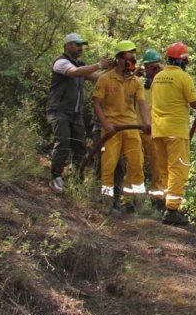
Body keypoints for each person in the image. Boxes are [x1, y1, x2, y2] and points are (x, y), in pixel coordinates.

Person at [151, 41, 196, 226]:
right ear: (183, 60)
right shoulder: (183, 77)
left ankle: (163, 206)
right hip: (175, 132)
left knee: (163, 169)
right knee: (178, 169)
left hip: (158, 131)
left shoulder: (158, 77)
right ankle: (172, 210)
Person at [47, 32, 111, 192]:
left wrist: (116, 70)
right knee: (63, 143)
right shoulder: (61, 62)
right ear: (67, 45)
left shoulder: (80, 64)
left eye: (82, 45)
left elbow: (98, 78)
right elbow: (75, 72)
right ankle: (56, 177)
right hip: (59, 110)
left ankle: (75, 178)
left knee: (80, 147)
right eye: (77, 44)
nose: (80, 48)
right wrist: (99, 64)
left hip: (76, 113)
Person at [92, 40, 150, 214]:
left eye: (133, 54)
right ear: (119, 58)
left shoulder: (136, 82)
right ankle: (107, 203)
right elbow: (96, 103)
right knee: (108, 165)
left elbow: (141, 104)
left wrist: (146, 123)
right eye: (128, 54)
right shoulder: (105, 79)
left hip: (131, 128)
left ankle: (139, 205)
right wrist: (106, 124)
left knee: (136, 165)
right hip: (112, 129)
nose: (132, 58)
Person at [139, 48, 167, 212]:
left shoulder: (165, 83)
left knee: (159, 167)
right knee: (135, 166)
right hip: (138, 129)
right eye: (150, 67)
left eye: (155, 67)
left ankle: (158, 201)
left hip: (156, 132)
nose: (153, 70)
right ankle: (130, 201)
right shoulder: (138, 83)